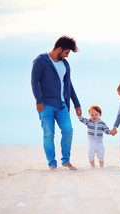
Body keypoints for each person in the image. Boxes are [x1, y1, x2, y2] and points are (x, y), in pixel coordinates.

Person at [31, 36, 82, 170]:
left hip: (62, 104)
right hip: (45, 104)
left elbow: (68, 84)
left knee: (68, 131)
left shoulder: (65, 64)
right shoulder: (41, 61)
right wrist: (38, 100)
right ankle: (52, 164)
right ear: (59, 49)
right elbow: (34, 81)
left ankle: (65, 160)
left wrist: (76, 103)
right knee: (48, 134)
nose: (67, 56)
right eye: (66, 53)